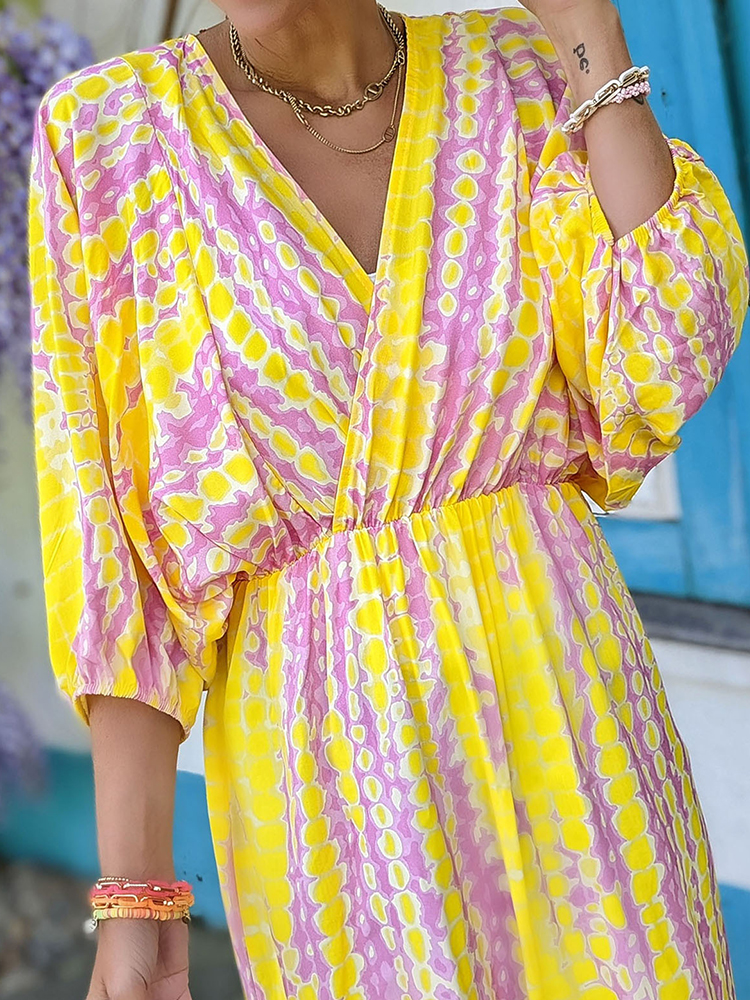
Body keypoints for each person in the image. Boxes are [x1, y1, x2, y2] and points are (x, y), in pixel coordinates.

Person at [27, 0, 748, 997]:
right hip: (335, 798)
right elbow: (117, 563)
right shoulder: (109, 139)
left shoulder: (515, 73)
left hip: (578, 736)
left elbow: (668, 349)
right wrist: (137, 907)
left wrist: (590, 30)